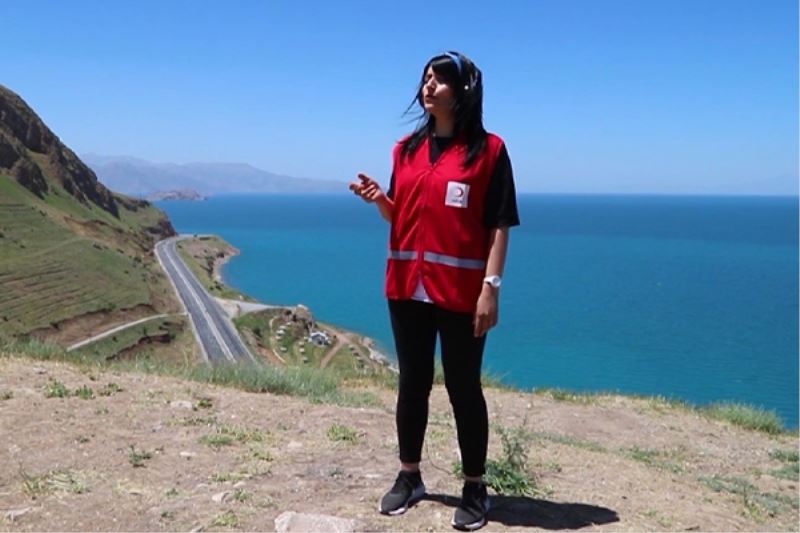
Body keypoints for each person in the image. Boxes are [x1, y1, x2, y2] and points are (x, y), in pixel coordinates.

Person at [350, 50, 519, 531]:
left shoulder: (489, 151)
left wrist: (491, 288)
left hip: (462, 292)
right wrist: (381, 201)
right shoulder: (404, 150)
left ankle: (475, 486)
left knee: (464, 387)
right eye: (425, 78)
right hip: (406, 287)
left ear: (462, 90)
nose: (429, 86)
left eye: (440, 79)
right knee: (412, 383)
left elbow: (500, 224)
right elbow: (400, 214)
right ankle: (410, 476)